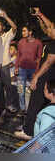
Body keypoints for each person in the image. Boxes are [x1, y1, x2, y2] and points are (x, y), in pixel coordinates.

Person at [15, 8, 55, 140]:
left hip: (46, 76)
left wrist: (36, 77)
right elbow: (47, 27)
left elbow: (49, 62)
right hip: (48, 76)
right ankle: (37, 129)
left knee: (34, 102)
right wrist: (40, 15)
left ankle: (28, 131)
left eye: (51, 29)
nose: (47, 30)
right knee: (41, 103)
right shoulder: (52, 40)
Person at [0, 10, 19, 115]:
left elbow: (14, 28)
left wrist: (5, 16)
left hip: (4, 65)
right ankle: (1, 108)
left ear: (3, 27)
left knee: (8, 86)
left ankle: (9, 105)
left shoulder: (7, 35)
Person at [15, 25, 43, 113]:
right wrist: (16, 67)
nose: (22, 33)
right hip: (22, 69)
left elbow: (39, 58)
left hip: (33, 70)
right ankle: (22, 109)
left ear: (30, 32)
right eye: (22, 31)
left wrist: (37, 71)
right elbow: (18, 55)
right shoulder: (20, 42)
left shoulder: (38, 43)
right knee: (20, 90)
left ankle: (33, 109)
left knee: (34, 90)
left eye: (24, 31)